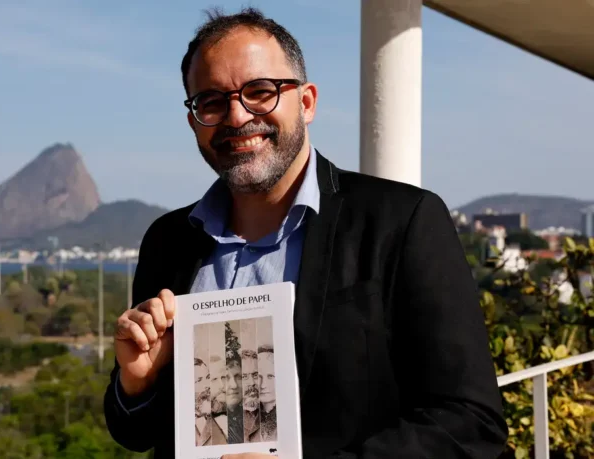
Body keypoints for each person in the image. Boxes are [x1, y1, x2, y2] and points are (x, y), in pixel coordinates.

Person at [104, 6, 508, 459]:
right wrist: (137, 382)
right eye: (212, 101)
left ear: (307, 101)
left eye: (260, 91)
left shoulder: (402, 220)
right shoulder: (169, 239)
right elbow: (137, 434)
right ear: (194, 121)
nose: (237, 117)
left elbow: (470, 422)